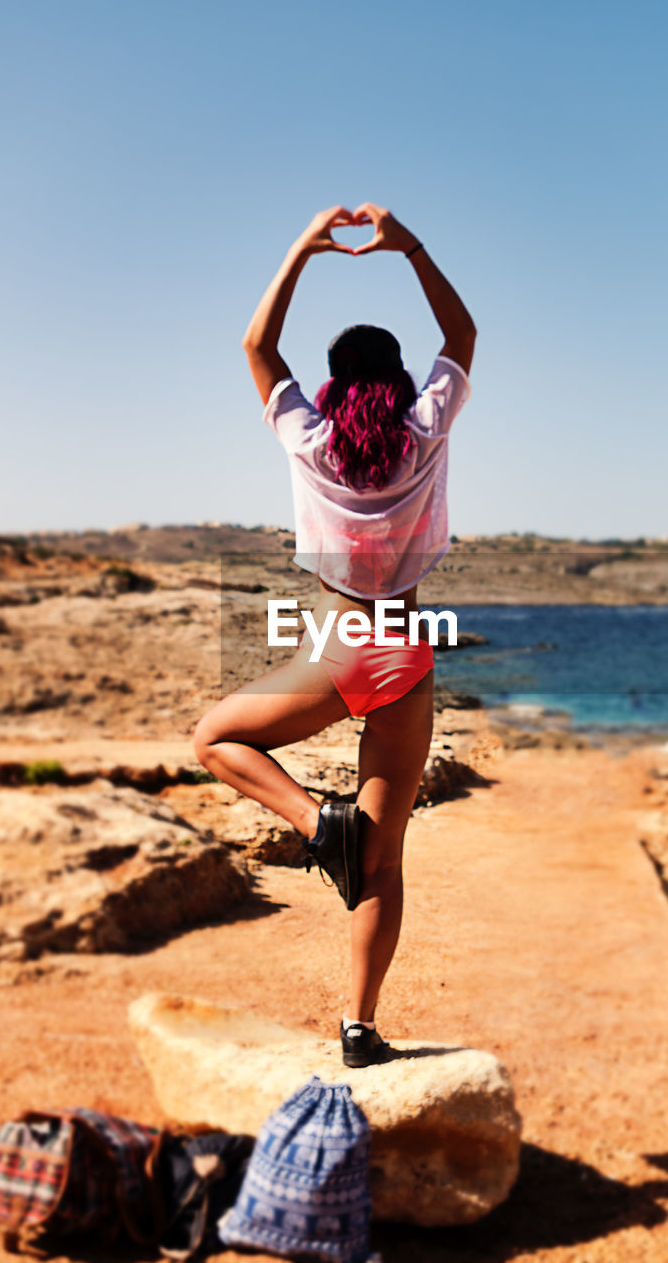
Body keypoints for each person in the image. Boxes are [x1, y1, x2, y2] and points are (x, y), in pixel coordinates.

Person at [193, 203, 475, 1067]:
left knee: (213, 738)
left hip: (344, 649)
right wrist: (411, 246)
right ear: (396, 379)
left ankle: (317, 824)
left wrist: (303, 249)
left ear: (332, 383)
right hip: (410, 654)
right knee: (382, 859)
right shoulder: (425, 431)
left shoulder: (309, 439)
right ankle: (359, 1029)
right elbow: (460, 333)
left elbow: (254, 346)